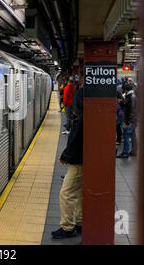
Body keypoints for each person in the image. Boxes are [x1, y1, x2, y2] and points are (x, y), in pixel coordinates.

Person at [52, 77, 84, 239]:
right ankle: (79, 222)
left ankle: (67, 227)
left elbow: (74, 141)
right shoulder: (87, 117)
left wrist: (65, 156)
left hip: (78, 162)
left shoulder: (80, 120)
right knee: (78, 192)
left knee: (66, 193)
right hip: (83, 160)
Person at [117, 83, 137, 159]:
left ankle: (125, 153)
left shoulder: (130, 97)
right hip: (133, 120)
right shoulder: (133, 96)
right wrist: (122, 102)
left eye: (124, 90)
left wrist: (127, 123)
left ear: (126, 90)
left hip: (130, 121)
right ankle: (134, 151)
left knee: (126, 136)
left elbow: (130, 111)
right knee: (133, 136)